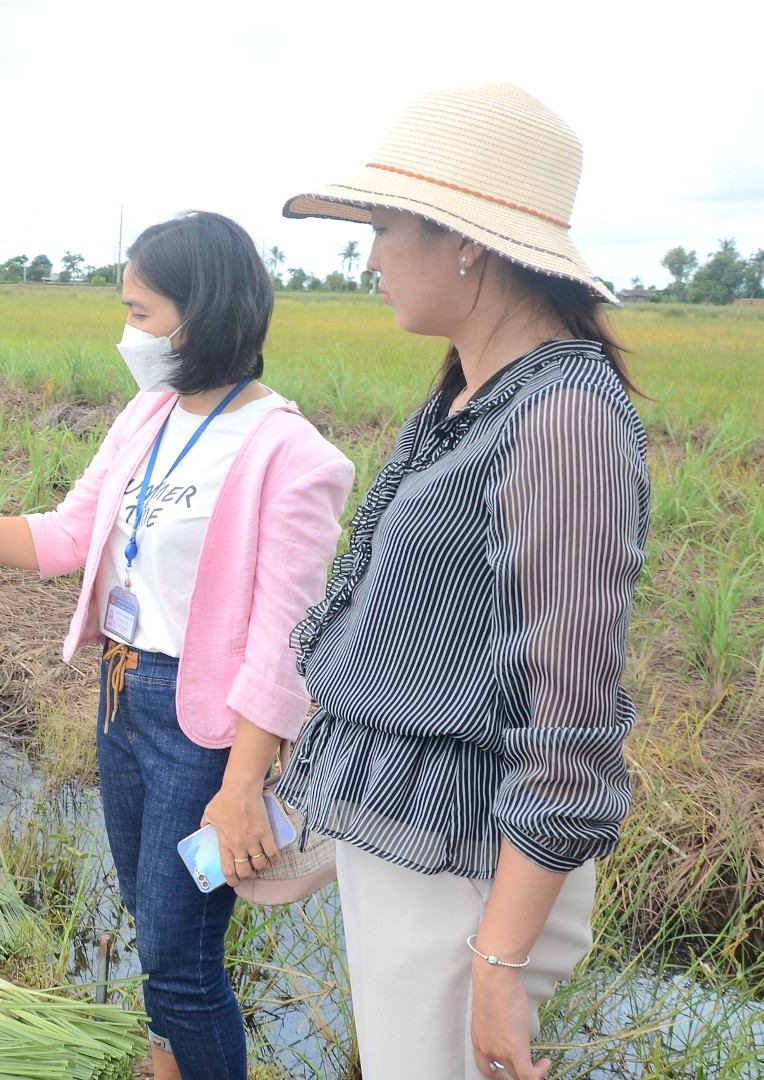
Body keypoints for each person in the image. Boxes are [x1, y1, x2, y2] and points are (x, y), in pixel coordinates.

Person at [0, 211, 352, 1079]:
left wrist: (244, 783)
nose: (128, 333)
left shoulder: (292, 456)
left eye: (141, 312)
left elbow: (285, 644)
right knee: (149, 920)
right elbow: (66, 535)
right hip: (123, 696)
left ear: (202, 315)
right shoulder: (148, 415)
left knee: (181, 961)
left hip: (202, 726)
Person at [278, 82, 651, 1080]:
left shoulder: (564, 418)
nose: (370, 258)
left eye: (384, 227)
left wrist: (498, 962)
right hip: (417, 860)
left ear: (466, 241)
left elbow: (567, 722)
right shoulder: (470, 393)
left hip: (465, 886)